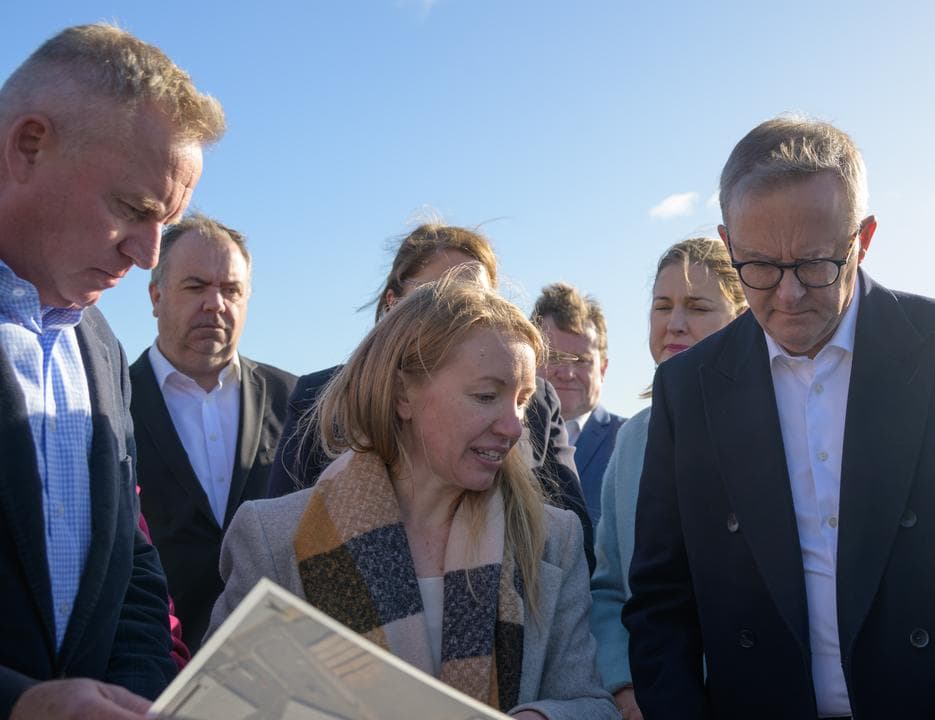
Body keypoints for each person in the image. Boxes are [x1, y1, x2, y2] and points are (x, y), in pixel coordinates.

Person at [622, 116, 935, 719]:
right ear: (728, 245)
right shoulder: (688, 387)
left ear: (864, 238)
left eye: (814, 264)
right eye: (759, 268)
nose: (789, 295)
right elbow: (660, 598)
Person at [209, 270, 616, 720]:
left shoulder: (553, 539)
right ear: (402, 393)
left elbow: (592, 703)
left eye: (521, 399)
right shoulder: (273, 538)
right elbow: (220, 707)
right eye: (486, 396)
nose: (514, 426)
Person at [0, 23, 224, 719]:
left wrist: (137, 698)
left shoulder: (98, 349)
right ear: (28, 146)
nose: (150, 254)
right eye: (132, 208)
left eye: (167, 221)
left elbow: (127, 570)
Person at [265, 224, 595, 570]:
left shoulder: (539, 405)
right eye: (440, 296)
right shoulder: (320, 398)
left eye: (476, 298)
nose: (511, 425)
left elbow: (572, 546)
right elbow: (283, 549)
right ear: (394, 304)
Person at [590, 238, 746, 720]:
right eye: (662, 306)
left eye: (697, 307)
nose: (674, 323)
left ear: (741, 319)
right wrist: (627, 685)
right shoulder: (633, 438)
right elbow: (610, 587)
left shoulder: (775, 426)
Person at [129, 214, 297, 652]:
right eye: (196, 286)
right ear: (155, 295)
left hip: (278, 662)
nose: (215, 304)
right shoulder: (110, 402)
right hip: (153, 665)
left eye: (231, 290)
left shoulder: (299, 400)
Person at [532, 283, 626, 528]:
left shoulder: (632, 442)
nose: (567, 373)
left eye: (582, 361)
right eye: (554, 357)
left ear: (603, 369)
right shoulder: (502, 439)